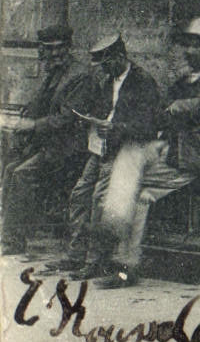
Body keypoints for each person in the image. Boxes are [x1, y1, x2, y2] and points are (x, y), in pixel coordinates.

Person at [82, 17, 200, 288]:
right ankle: (124, 264)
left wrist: (167, 111)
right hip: (175, 148)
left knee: (130, 172)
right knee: (136, 179)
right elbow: (162, 110)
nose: (190, 51)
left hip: (197, 157)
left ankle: (112, 225)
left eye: (198, 45)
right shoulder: (186, 80)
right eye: (188, 45)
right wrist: (164, 113)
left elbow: (183, 110)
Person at [59, 31, 161, 275]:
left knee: (99, 200)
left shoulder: (142, 82)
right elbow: (101, 110)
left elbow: (150, 125)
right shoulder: (107, 81)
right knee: (79, 194)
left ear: (119, 57)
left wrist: (116, 127)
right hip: (101, 147)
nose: (103, 69)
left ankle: (94, 261)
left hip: (124, 151)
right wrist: (90, 119)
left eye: (106, 63)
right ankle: (76, 253)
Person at [0, 24, 95, 257]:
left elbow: (67, 118)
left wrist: (32, 126)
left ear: (69, 47)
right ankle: (10, 232)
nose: (54, 54)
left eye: (59, 48)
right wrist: (23, 118)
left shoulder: (80, 75)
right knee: (10, 168)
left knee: (22, 174)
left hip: (70, 149)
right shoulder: (54, 72)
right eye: (49, 49)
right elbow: (39, 104)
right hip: (51, 145)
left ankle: (13, 240)